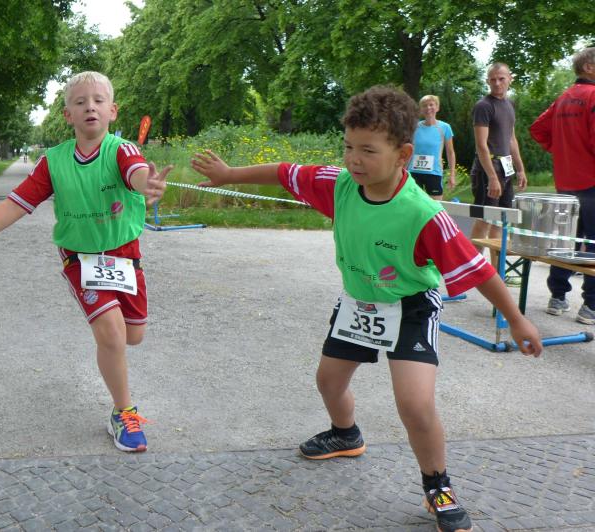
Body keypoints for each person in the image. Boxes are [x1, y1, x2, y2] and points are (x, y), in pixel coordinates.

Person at [191, 86, 542, 532]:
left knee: (414, 404)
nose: (354, 160)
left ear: (403, 154)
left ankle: (438, 485)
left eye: (368, 151)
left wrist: (516, 319)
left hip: (411, 307)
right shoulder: (339, 184)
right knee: (328, 381)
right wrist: (229, 174)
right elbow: (284, 171)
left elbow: (479, 271)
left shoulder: (423, 214)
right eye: (348, 147)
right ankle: (346, 434)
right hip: (359, 303)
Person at [0, 71, 170, 452]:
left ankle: (117, 370)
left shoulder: (122, 151)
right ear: (68, 115)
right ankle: (124, 413)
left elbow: (137, 173)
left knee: (133, 336)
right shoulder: (53, 161)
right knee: (111, 333)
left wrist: (146, 185)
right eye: (81, 102)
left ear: (113, 111)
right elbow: (20, 200)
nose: (90, 107)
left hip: (124, 256)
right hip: (80, 258)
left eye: (99, 101)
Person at [529, 47, 595, 325]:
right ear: (589, 67)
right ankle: (591, 305)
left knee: (565, 241)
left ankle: (557, 297)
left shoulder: (564, 97)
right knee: (592, 243)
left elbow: (537, 129)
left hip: (566, 182)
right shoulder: (593, 96)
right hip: (591, 181)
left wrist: (562, 150)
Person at [469, 63, 528, 284]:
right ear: (487, 81)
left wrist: (520, 168)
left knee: (501, 221)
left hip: (506, 166)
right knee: (484, 219)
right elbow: (481, 145)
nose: (497, 83)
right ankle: (471, 270)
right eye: (492, 79)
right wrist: (492, 177)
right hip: (488, 168)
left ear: (510, 79)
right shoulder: (483, 106)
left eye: (501, 78)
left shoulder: (509, 105)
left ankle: (497, 273)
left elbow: (511, 139)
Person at [409, 95, 456, 200]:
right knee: (413, 205)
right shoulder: (414, 127)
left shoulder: (444, 127)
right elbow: (407, 149)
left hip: (434, 172)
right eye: (424, 105)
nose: (428, 108)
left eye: (431, 105)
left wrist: (452, 175)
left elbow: (450, 152)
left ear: (437, 108)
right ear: (421, 109)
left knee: (436, 206)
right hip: (414, 172)